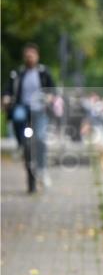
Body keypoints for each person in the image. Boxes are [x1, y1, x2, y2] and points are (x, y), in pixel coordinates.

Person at [3, 43, 56, 192]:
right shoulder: (18, 73)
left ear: (37, 56)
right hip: (23, 107)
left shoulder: (44, 72)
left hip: (39, 109)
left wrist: (50, 97)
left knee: (40, 137)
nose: (29, 58)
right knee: (17, 116)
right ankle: (21, 144)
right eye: (27, 56)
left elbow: (52, 89)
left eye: (32, 55)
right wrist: (6, 98)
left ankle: (42, 169)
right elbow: (8, 89)